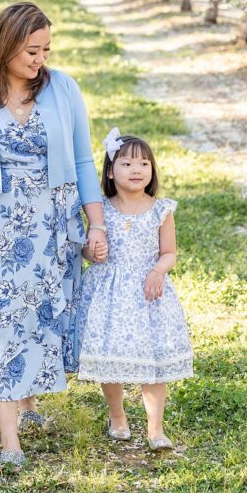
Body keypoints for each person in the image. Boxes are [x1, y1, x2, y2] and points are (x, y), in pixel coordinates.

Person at [0, 2, 107, 470]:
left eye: (46, 49)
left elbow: (82, 164)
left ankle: (28, 400)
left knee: (39, 316)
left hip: (53, 224)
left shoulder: (63, 89)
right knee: (2, 324)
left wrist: (97, 224)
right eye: (31, 50)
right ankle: (9, 439)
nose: (40, 59)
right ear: (6, 44)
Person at [76, 128, 193, 450]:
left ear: (152, 171)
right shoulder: (99, 208)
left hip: (147, 292)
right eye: (127, 164)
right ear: (111, 172)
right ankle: (117, 415)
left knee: (153, 361)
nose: (137, 170)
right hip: (109, 292)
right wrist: (91, 252)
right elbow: (89, 248)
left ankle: (156, 429)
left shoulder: (161, 209)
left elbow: (169, 252)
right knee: (111, 357)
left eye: (144, 164)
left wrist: (158, 271)